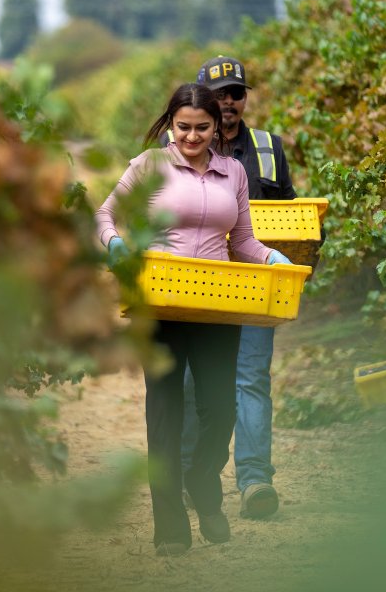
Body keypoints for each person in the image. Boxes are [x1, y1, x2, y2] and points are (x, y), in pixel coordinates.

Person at [95, 82, 292, 557]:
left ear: (216, 127)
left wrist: (272, 259)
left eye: (201, 128)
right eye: (182, 127)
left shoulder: (233, 173)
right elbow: (105, 215)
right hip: (158, 303)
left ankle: (204, 483)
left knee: (219, 408)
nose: (191, 137)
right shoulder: (149, 167)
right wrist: (115, 244)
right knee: (164, 411)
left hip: (216, 304)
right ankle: (170, 525)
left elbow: (242, 241)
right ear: (170, 124)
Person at [165, 56, 298, 521]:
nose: (228, 103)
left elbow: (289, 218)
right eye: (219, 94)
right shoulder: (177, 143)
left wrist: (285, 259)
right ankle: (187, 479)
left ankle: (256, 481)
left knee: (250, 379)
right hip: (194, 283)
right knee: (187, 382)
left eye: (236, 93)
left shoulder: (267, 148)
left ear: (245, 99)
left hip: (255, 285)